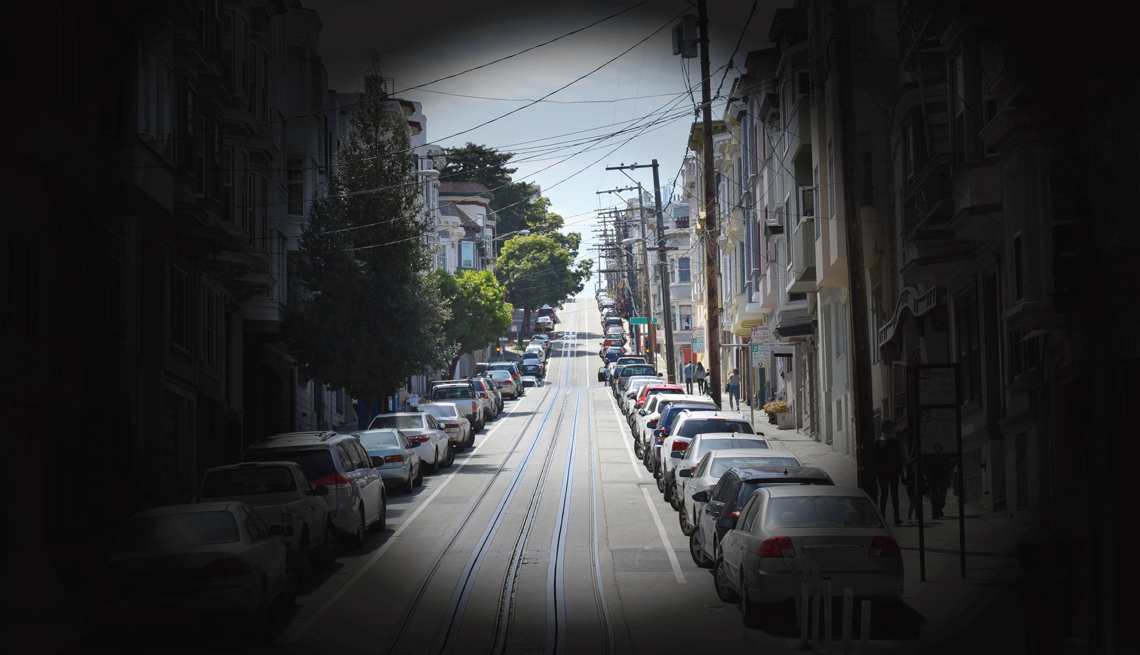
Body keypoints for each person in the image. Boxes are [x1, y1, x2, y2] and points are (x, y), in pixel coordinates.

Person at [874, 419, 906, 526]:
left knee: (888, 494)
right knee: (890, 494)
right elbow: (898, 459)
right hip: (889, 472)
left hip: (886, 472)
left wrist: (901, 473)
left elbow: (898, 459)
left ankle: (885, 517)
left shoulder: (879, 443)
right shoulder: (893, 442)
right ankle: (894, 517)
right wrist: (902, 473)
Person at [924, 455, 954, 519]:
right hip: (931, 467)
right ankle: (935, 511)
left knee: (942, 491)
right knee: (935, 491)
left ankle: (937, 509)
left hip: (942, 467)